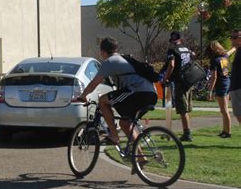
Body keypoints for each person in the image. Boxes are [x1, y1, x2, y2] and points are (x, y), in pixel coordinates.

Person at [79, 37, 157, 172]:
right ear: (116, 49)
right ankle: (141, 157)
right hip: (151, 93)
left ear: (103, 51)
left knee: (103, 101)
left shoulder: (109, 62)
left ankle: (114, 136)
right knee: (125, 123)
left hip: (138, 92)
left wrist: (82, 95)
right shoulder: (123, 58)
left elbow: (94, 83)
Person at [162, 31, 195, 142]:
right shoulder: (186, 49)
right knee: (186, 108)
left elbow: (171, 65)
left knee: (182, 109)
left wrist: (165, 78)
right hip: (189, 79)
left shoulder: (172, 50)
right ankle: (187, 131)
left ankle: (187, 133)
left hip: (179, 81)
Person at [207, 41, 236, 138]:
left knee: (224, 110)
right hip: (227, 83)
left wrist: (210, 91)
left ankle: (228, 132)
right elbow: (230, 51)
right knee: (224, 110)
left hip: (221, 86)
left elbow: (214, 77)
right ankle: (224, 130)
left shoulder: (214, 60)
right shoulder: (225, 56)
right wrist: (235, 46)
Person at [229, 28, 241, 124]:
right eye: (231, 37)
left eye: (234, 37)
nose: (232, 39)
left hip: (238, 88)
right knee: (237, 114)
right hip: (235, 88)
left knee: (238, 114)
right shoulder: (238, 51)